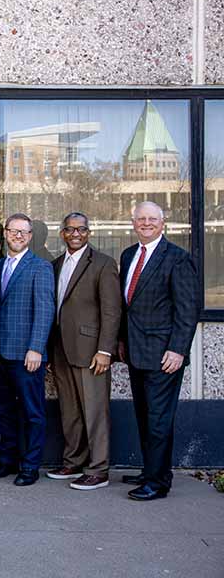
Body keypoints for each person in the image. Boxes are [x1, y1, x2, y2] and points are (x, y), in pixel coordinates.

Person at [118, 202, 200, 501]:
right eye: (141, 219)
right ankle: (150, 469)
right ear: (133, 222)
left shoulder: (177, 259)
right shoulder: (129, 255)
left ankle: (158, 482)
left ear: (162, 223)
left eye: (152, 219)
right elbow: (128, 306)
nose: (146, 223)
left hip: (164, 355)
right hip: (136, 352)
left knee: (159, 419)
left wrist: (178, 349)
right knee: (144, 415)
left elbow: (188, 309)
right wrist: (121, 341)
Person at [47, 212, 121, 490]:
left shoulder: (102, 264)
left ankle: (98, 468)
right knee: (70, 410)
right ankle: (74, 460)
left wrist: (105, 350)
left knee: (95, 411)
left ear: (89, 233)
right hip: (61, 349)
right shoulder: (55, 265)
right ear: (62, 233)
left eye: (81, 229)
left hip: (91, 350)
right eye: (70, 229)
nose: (76, 233)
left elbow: (112, 311)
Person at [0, 213, 55, 487]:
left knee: (32, 411)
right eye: (13, 231)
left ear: (30, 237)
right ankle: (7, 461)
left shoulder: (40, 267)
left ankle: (30, 466)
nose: (18, 236)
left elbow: (45, 310)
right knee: (4, 410)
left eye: (24, 232)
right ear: (5, 234)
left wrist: (36, 348)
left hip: (27, 354)